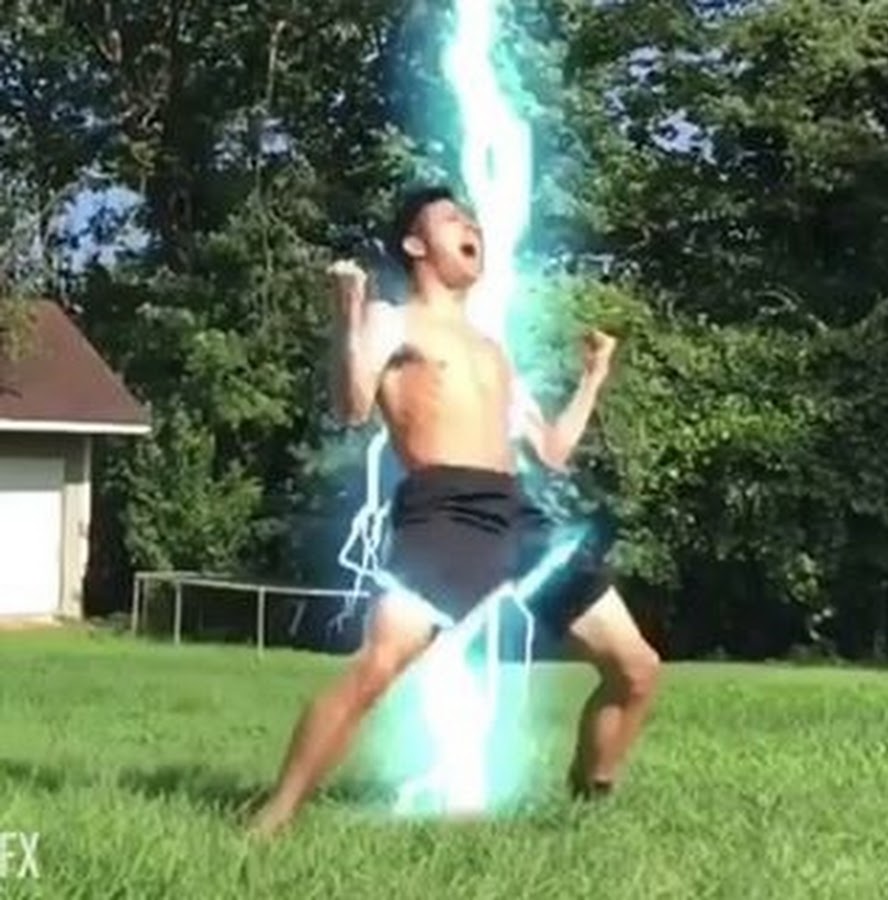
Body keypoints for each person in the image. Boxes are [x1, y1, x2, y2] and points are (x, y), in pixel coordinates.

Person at [250, 186, 660, 836]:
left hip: (517, 514)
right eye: (452, 220)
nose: (472, 228)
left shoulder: (491, 348)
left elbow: (552, 451)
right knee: (378, 668)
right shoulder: (392, 320)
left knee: (635, 668)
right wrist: (346, 310)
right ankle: (270, 822)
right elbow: (352, 408)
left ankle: (587, 809)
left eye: (473, 221)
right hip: (443, 512)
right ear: (415, 244)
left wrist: (593, 377)